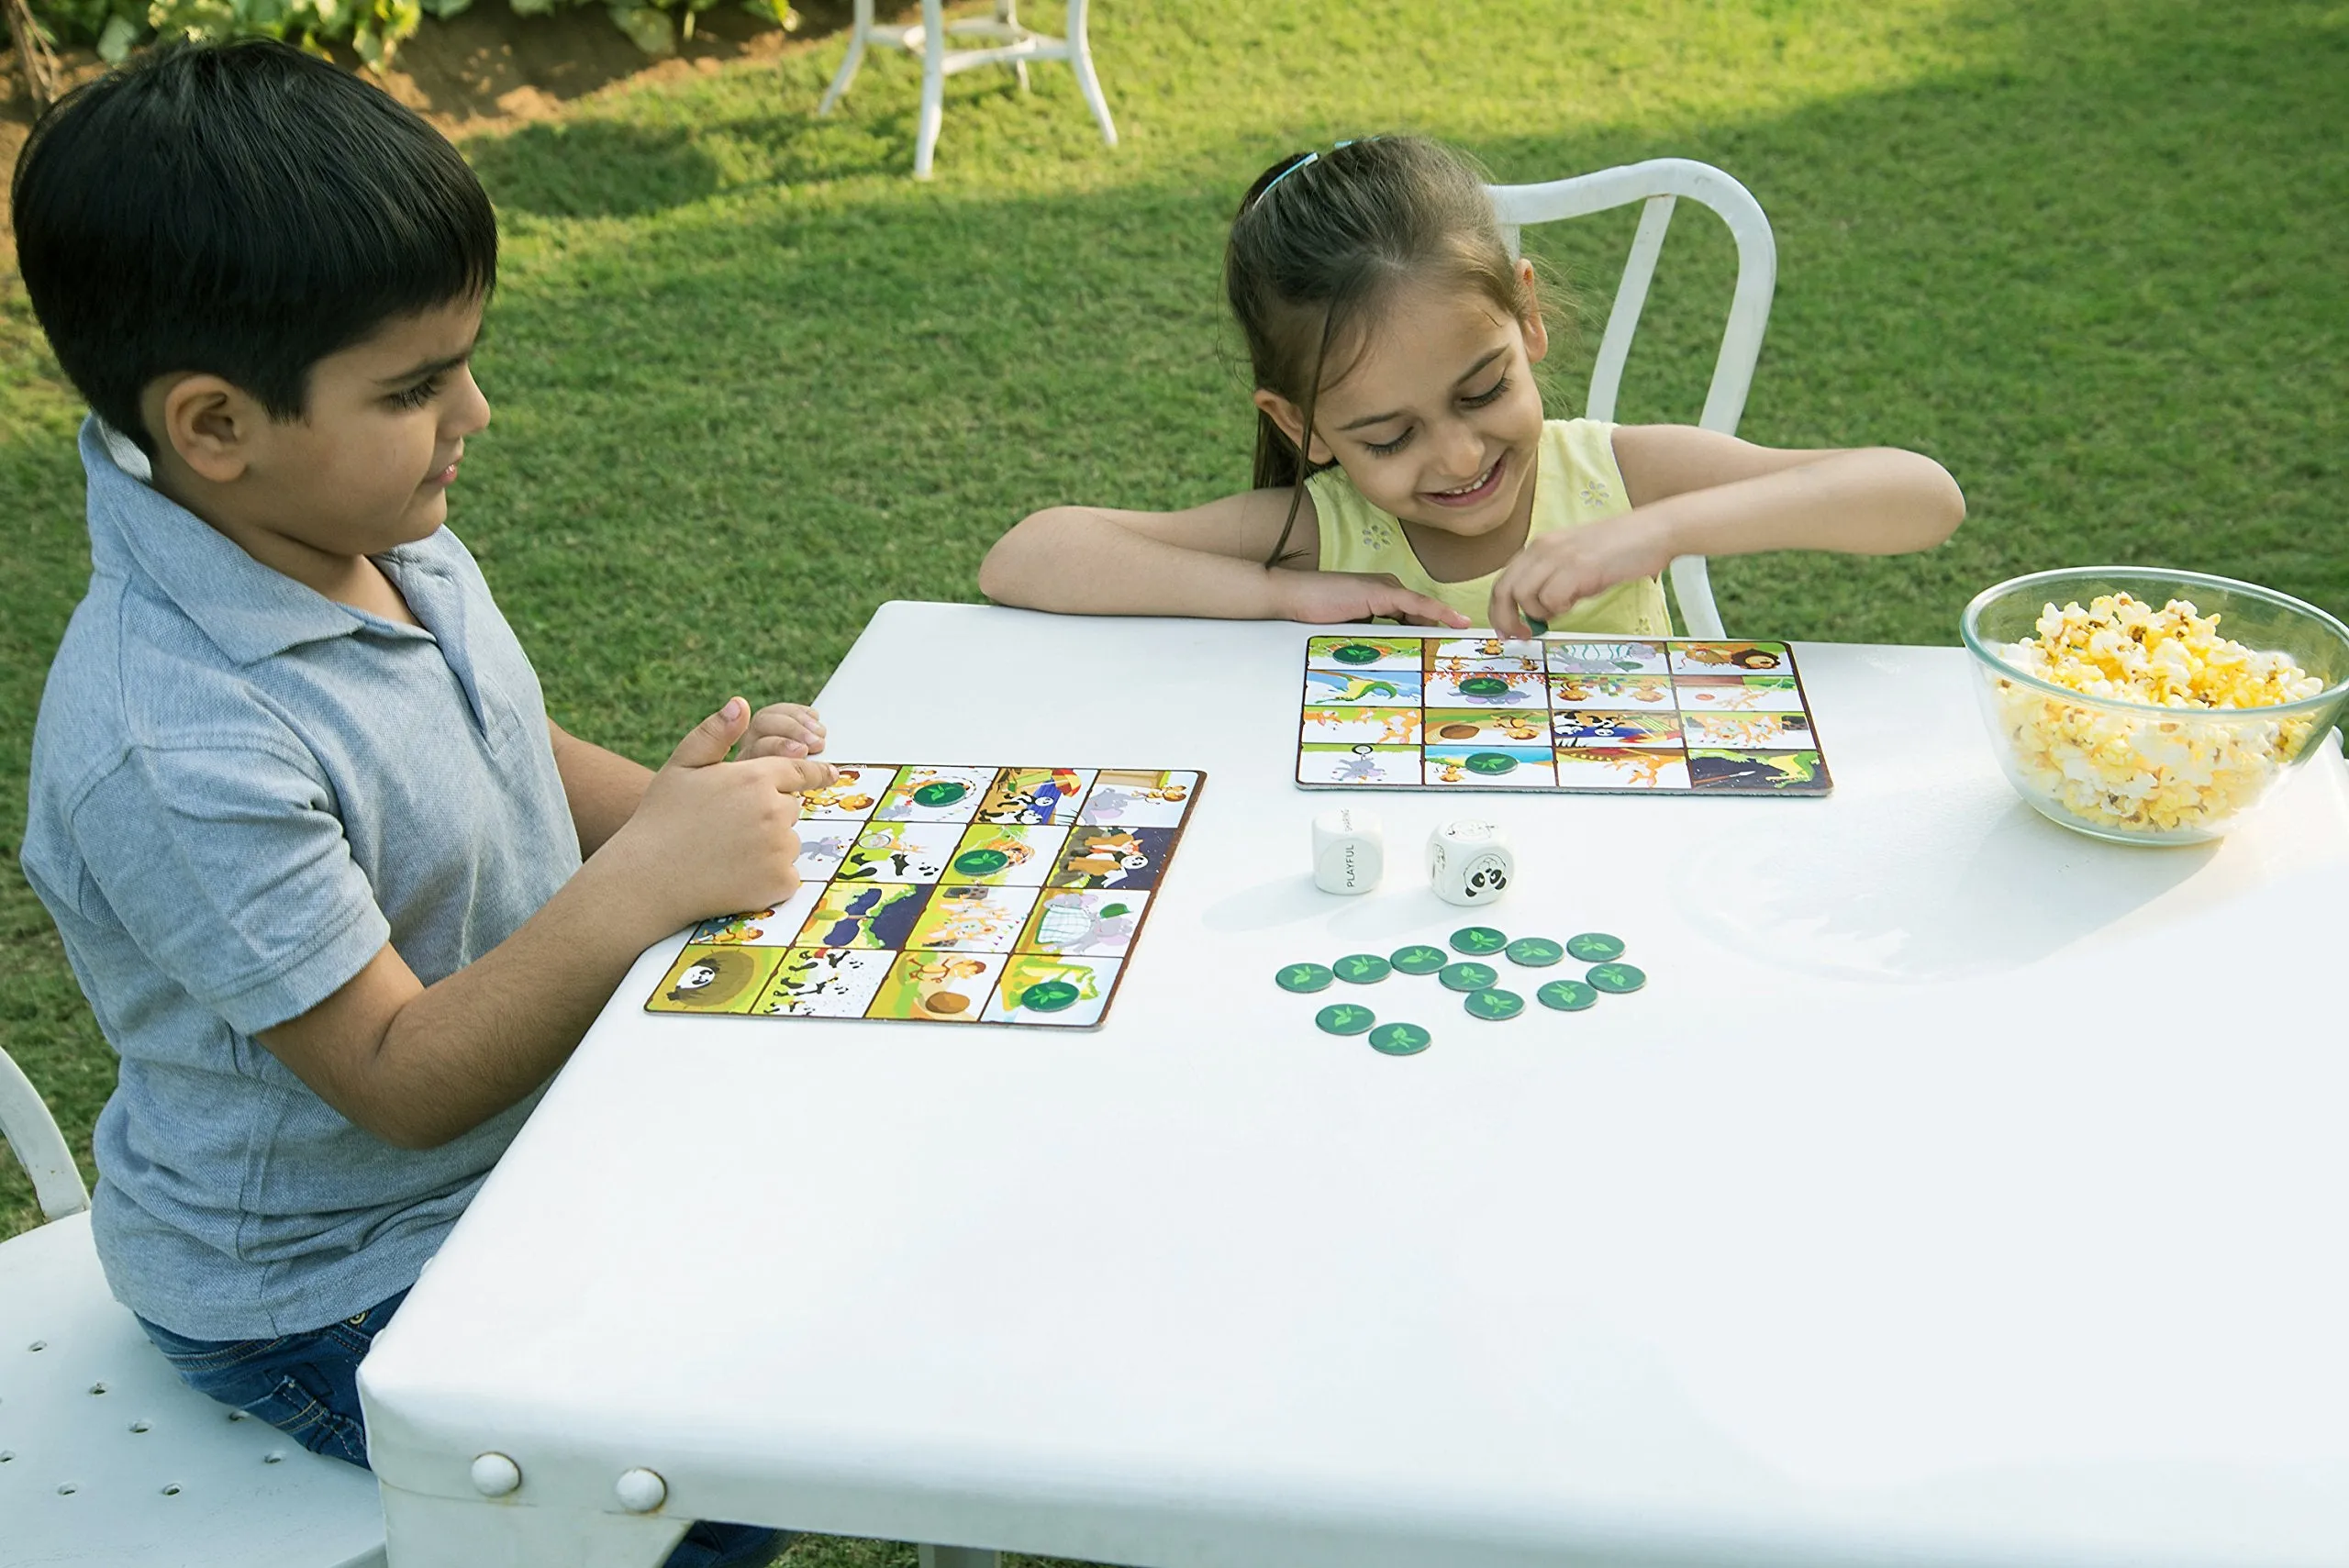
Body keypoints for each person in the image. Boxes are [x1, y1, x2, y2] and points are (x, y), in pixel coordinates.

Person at [11, 41, 818, 1566]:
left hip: (516, 1154)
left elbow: (504, 737)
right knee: (705, 1477)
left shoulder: (356, 515)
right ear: (214, 424)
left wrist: (689, 808)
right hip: (327, 1279)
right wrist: (650, 874)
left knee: (829, 1236)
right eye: (414, 384)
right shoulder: (173, 741)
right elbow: (395, 1071)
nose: (479, 409)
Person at [980, 136, 1965, 635]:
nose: (1456, 456)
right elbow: (1028, 556)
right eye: (1386, 435)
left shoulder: (1620, 476)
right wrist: (1287, 596)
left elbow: (1921, 494)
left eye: (1482, 388)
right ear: (1303, 425)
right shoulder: (1324, 531)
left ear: (1526, 319)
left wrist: (1659, 529)